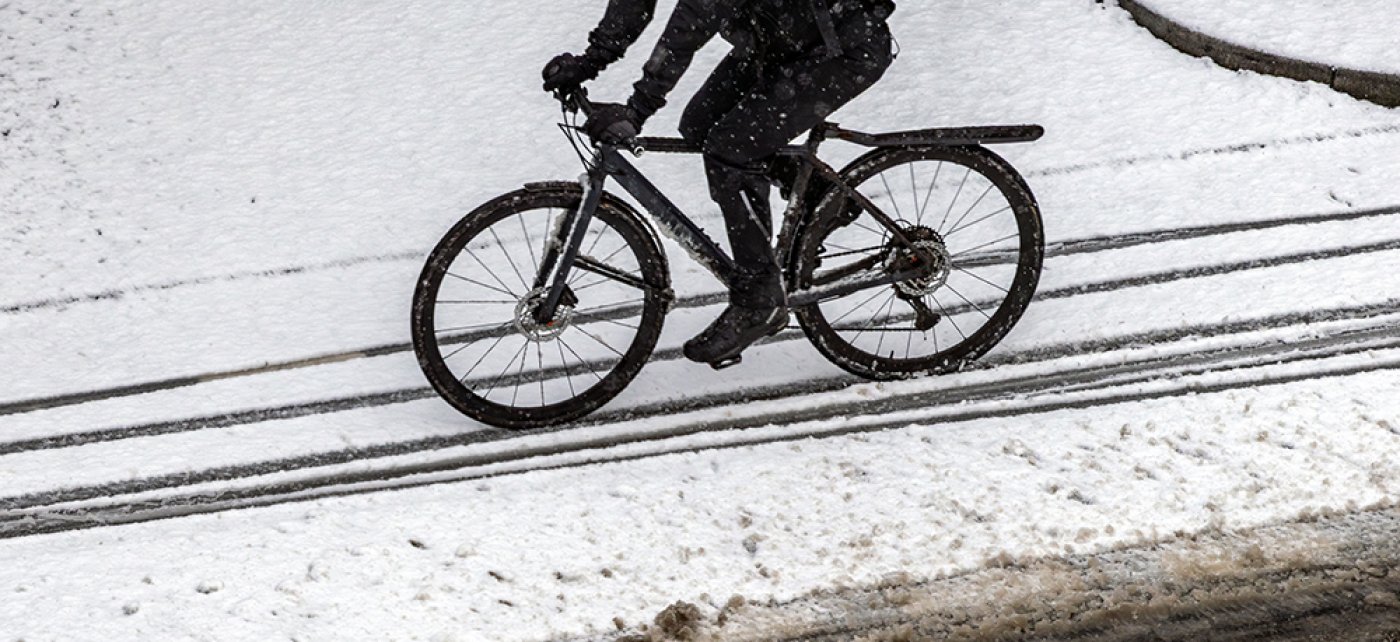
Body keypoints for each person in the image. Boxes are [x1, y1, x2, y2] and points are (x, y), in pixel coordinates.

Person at [542, 0, 896, 367]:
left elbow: (690, 24)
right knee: (700, 124)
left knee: (732, 148)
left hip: (841, 49)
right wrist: (592, 60)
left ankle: (759, 298)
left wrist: (637, 109)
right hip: (784, 41)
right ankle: (823, 201)